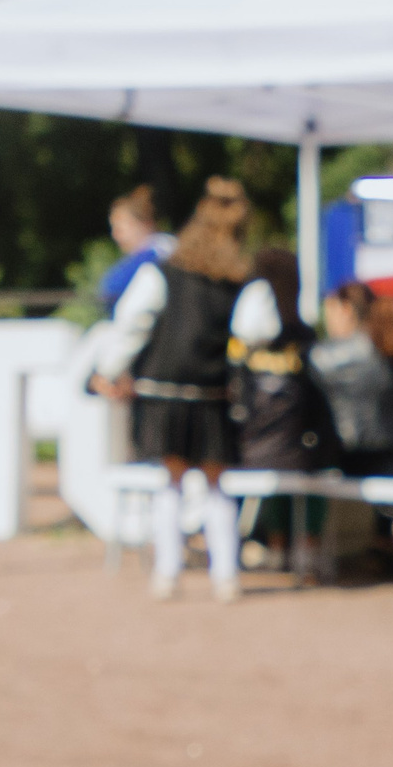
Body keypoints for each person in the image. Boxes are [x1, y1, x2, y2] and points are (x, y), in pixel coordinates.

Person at [94, 177, 280, 603]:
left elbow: (132, 323)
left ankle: (168, 574)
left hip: (162, 390)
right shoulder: (241, 281)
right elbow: (258, 329)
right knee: (217, 485)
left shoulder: (164, 273)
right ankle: (225, 576)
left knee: (170, 483)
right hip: (212, 393)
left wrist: (109, 370)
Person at [231, 248, 339, 581]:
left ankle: (277, 547)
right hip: (296, 452)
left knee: (279, 459)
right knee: (313, 461)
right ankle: (307, 548)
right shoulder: (304, 338)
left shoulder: (238, 342)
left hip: (247, 451)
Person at [311, 281, 393, 479]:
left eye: (330, 311)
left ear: (346, 310)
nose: (327, 321)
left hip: (352, 461)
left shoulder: (324, 357)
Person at [98, 185, 175, 312]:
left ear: (145, 224)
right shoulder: (167, 247)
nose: (115, 235)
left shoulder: (156, 254)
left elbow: (111, 288)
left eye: (120, 229)